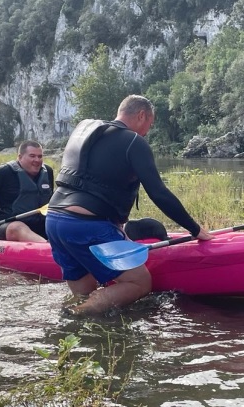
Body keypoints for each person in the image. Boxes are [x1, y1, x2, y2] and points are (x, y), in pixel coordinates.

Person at [46, 94, 214, 315]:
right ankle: (76, 315)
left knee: (85, 292)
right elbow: (159, 193)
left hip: (54, 221)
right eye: (150, 124)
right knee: (139, 282)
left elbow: (94, 184)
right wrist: (195, 229)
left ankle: (75, 320)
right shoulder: (134, 141)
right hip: (86, 225)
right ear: (141, 115)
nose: (147, 132)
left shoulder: (88, 134)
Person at [0, 140, 53, 245]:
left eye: (40, 156)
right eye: (32, 156)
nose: (37, 160)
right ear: (20, 157)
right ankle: (48, 248)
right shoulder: (2, 173)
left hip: (40, 225)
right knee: (17, 227)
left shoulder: (48, 172)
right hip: (7, 226)